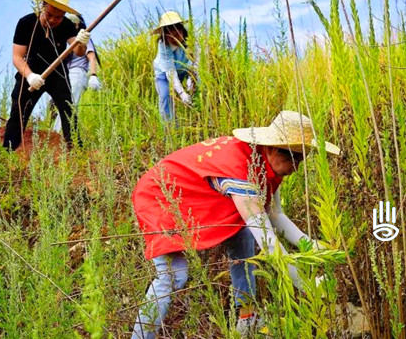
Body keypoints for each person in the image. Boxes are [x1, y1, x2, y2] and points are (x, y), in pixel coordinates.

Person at [130, 111, 341, 338]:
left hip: (196, 197)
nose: (296, 167)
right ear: (272, 147)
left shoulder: (264, 162)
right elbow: (269, 243)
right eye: (293, 157)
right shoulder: (241, 170)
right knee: (174, 275)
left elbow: (274, 215)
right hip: (161, 195)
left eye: (302, 159)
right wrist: (306, 284)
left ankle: (246, 319)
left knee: (243, 233)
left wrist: (312, 247)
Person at [2, 0, 91, 150]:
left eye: (58, 17)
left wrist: (81, 41)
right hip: (30, 70)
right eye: (49, 15)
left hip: (57, 73)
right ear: (43, 6)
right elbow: (17, 56)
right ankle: (7, 152)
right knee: (19, 112)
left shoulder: (67, 25)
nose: (52, 20)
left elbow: (79, 52)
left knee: (68, 111)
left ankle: (77, 153)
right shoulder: (26, 23)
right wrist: (29, 76)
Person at [52, 13, 101, 133]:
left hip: (78, 73)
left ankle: (57, 136)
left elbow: (92, 57)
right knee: (61, 106)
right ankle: (58, 136)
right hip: (66, 75)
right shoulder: (68, 40)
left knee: (69, 105)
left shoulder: (83, 39)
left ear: (77, 24)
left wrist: (93, 75)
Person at [152, 11, 198, 123]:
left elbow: (196, 62)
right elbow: (170, 72)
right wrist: (182, 93)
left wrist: (191, 78)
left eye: (177, 35)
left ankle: (201, 117)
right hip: (164, 73)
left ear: (182, 30)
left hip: (184, 70)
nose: (174, 39)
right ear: (164, 36)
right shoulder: (163, 46)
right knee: (165, 96)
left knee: (199, 85)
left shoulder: (191, 41)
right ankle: (170, 130)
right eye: (170, 37)